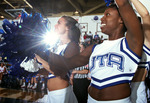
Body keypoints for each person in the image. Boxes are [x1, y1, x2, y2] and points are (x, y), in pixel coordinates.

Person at [35, 0, 144, 102]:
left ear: (121, 19)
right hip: (91, 100)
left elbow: (124, 5)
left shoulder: (131, 43)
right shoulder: (94, 48)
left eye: (108, 15)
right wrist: (39, 51)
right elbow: (67, 63)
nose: (102, 19)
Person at [35, 16, 80, 103]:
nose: (55, 25)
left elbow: (61, 72)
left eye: (59, 23)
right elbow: (50, 71)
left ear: (68, 27)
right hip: (51, 93)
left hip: (61, 94)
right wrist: (35, 70)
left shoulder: (73, 46)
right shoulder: (57, 47)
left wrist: (40, 60)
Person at [129, 0, 150, 103]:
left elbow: (145, 15)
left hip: (138, 93)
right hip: (121, 93)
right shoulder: (123, 44)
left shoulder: (146, 45)